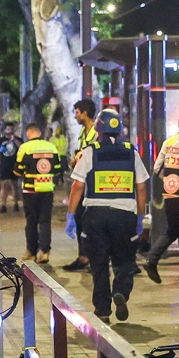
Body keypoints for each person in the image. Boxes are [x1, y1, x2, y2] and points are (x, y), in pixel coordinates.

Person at [66, 108, 148, 323]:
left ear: (98, 130)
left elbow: (77, 186)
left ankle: (103, 310)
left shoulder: (90, 152)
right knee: (124, 261)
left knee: (99, 265)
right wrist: (140, 217)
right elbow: (141, 188)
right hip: (124, 216)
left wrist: (71, 215)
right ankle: (120, 291)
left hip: (96, 217)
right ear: (120, 130)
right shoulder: (132, 152)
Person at [145, 110, 179, 286]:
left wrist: (171, 181)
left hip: (170, 194)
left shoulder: (169, 142)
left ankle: (152, 259)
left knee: (173, 230)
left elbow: (157, 168)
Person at [61, 100, 99, 272]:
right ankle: (84, 256)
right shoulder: (84, 133)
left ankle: (94, 257)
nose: (75, 116)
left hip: (95, 185)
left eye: (77, 112)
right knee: (81, 220)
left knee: (93, 222)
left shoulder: (97, 133)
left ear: (85, 113)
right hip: (84, 181)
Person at [16, 123, 61, 263]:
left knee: (31, 221)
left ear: (28, 133)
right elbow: (58, 167)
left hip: (30, 190)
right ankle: (45, 252)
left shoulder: (25, 148)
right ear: (40, 133)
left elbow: (18, 169)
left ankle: (31, 251)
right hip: (47, 189)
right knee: (45, 221)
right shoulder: (51, 147)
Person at [0, 122, 21, 213]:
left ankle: (16, 204)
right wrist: (0, 149)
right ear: (5, 130)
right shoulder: (1, 140)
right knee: (4, 185)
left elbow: (21, 148)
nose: (9, 131)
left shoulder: (17, 139)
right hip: (4, 165)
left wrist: (14, 140)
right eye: (8, 129)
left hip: (14, 165)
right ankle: (3, 205)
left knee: (15, 185)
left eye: (11, 129)